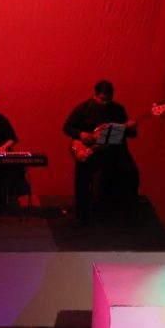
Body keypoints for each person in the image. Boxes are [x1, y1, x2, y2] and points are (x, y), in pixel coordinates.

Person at [62, 80, 139, 224]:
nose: (105, 103)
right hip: (92, 149)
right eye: (102, 99)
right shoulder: (84, 108)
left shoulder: (118, 109)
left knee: (131, 172)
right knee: (82, 174)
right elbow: (66, 127)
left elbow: (129, 134)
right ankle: (82, 215)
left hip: (113, 149)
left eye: (108, 100)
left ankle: (129, 215)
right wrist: (81, 134)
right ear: (95, 96)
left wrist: (132, 129)